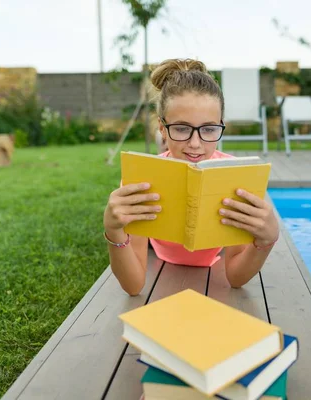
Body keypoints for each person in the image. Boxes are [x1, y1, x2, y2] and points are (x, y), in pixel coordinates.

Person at [103, 58, 279, 296]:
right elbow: (133, 286)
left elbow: (236, 278)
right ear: (162, 128)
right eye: (182, 128)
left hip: (215, 259)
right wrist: (113, 231)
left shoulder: (233, 174)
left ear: (220, 126)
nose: (195, 145)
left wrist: (266, 242)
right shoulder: (142, 177)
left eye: (208, 129)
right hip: (162, 256)